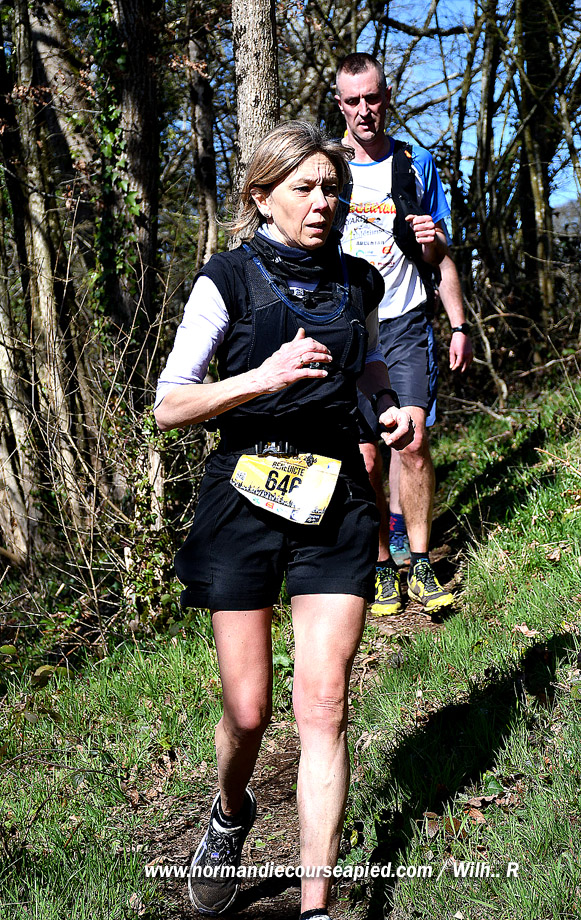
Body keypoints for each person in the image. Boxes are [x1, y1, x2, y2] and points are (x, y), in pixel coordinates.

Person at [154, 121, 413, 919]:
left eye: (333, 188)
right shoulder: (225, 281)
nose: (323, 202)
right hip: (243, 495)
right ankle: (230, 815)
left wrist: (384, 401)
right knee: (248, 711)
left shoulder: (358, 280)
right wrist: (259, 378)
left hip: (334, 497)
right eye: (304, 188)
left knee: (324, 705)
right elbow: (169, 405)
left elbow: (367, 360)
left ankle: (314, 906)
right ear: (262, 197)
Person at [335, 53, 473, 616]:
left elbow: (440, 255)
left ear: (386, 97)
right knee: (367, 459)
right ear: (339, 104)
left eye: (372, 98)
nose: (364, 110)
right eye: (353, 101)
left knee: (411, 442)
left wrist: (459, 323)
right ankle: (380, 565)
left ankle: (419, 562)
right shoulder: (325, 167)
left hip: (405, 321)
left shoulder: (415, 164)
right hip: (349, 329)